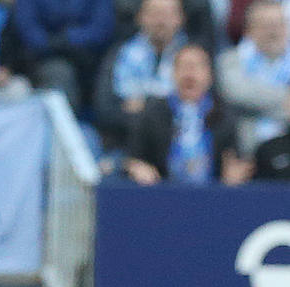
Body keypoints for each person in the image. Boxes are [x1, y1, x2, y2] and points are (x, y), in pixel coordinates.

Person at [124, 43, 251, 184]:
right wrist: (139, 168)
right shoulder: (152, 113)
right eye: (184, 66)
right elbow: (134, 158)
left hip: (213, 195)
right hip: (163, 194)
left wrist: (234, 173)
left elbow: (236, 161)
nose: (189, 73)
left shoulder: (225, 115)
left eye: (197, 66)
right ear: (173, 73)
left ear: (210, 75)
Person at [95, 0, 187, 144]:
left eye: (167, 13)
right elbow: (105, 110)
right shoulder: (120, 54)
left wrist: (144, 105)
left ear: (181, 18)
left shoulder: (194, 57)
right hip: (125, 141)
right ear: (140, 17)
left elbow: (198, 108)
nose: (161, 21)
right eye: (154, 13)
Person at [12, 0, 114, 114]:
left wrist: (68, 38)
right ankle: (67, 128)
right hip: (47, 57)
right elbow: (28, 30)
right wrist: (52, 43)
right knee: (60, 74)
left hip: (93, 57)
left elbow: (101, 29)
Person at [216, 0, 290, 153]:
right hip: (247, 152)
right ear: (249, 30)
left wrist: (254, 105)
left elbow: (248, 97)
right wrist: (285, 100)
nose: (274, 32)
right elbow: (236, 93)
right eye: (266, 26)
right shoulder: (230, 60)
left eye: (279, 25)